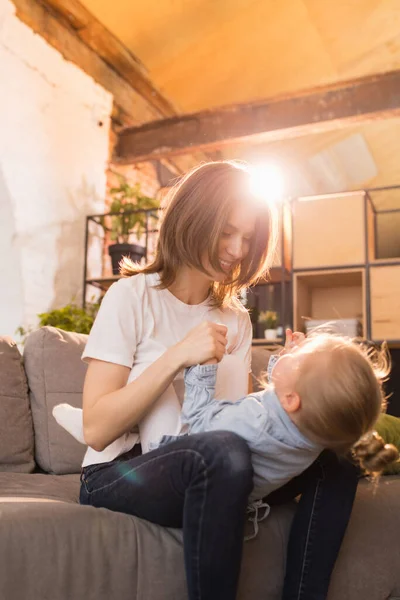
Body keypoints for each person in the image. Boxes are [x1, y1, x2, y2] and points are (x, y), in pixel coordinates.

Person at [53, 160, 362, 600]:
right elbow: (98, 430)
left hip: (216, 463)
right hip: (122, 471)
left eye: (248, 237)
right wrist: (178, 355)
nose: (237, 249)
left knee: (338, 457)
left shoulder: (235, 319)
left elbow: (236, 420)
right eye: (225, 232)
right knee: (222, 452)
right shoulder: (131, 297)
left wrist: (295, 380)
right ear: (193, 218)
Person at [156, 331, 399, 511]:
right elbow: (283, 403)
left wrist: (205, 368)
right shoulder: (311, 432)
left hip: (189, 480)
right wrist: (288, 359)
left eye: (299, 358)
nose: (295, 351)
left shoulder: (258, 421)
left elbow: (198, 424)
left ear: (292, 398)